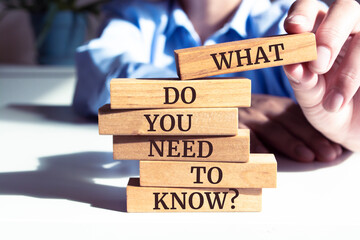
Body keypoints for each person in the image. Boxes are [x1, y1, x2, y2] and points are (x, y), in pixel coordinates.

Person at [73, 0, 360, 162]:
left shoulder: (295, 25)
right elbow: (97, 73)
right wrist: (207, 100)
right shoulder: (135, 15)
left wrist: (350, 117)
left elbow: (323, 89)